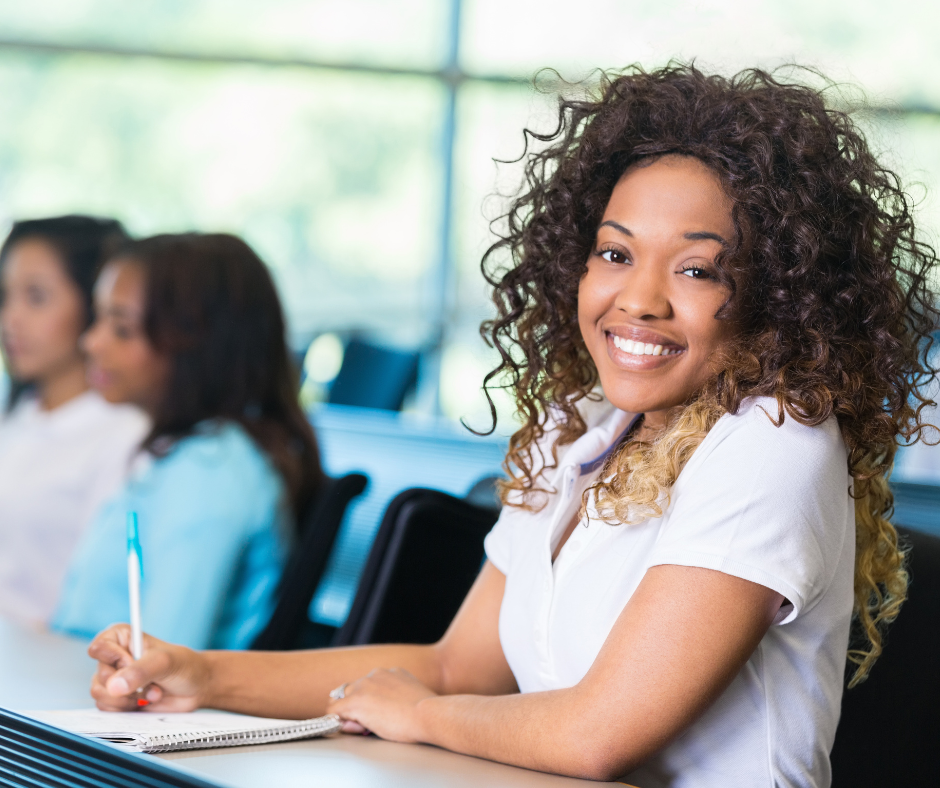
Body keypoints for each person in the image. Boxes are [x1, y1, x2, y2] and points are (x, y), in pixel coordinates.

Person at [86, 65, 937, 786]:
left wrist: (422, 716)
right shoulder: (575, 431)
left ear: (782, 292)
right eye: (614, 252)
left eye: (699, 268)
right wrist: (201, 674)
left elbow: (597, 735)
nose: (637, 298)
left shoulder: (774, 443)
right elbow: (458, 666)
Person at [53, 233, 324, 650]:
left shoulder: (211, 473)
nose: (91, 342)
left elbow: (159, 663)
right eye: (99, 319)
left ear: (198, 345)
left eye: (122, 329)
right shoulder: (190, 456)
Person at [0, 216, 147, 626]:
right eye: (5, 296)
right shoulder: (19, 419)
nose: (10, 319)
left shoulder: (123, 435)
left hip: (46, 663)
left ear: (93, 305)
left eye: (36, 297)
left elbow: (103, 600)